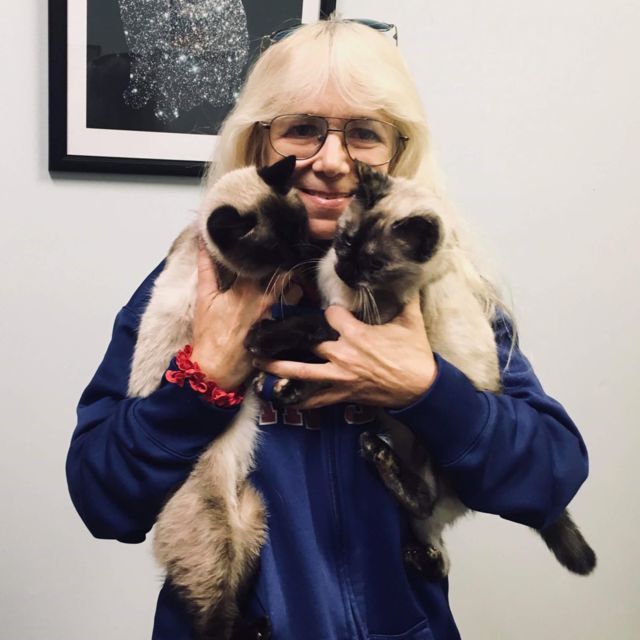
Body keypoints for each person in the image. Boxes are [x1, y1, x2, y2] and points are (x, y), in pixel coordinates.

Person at [66, 18, 589, 640]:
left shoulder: (442, 285)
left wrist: (426, 390)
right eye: (302, 129)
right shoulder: (192, 286)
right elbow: (103, 501)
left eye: (364, 133)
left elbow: (550, 477)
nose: (332, 162)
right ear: (260, 145)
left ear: (395, 154)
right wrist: (202, 381)